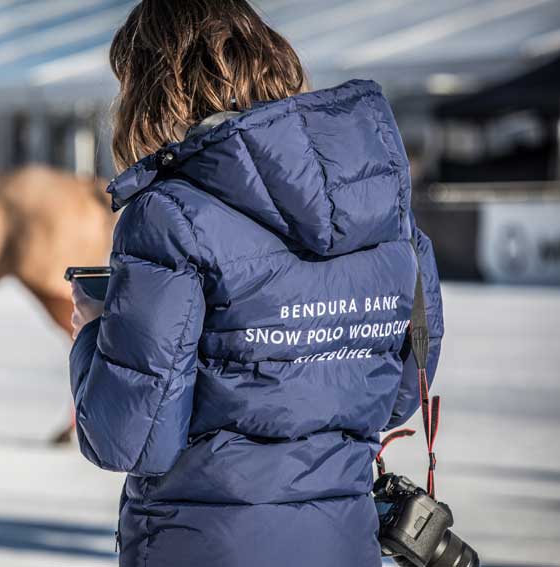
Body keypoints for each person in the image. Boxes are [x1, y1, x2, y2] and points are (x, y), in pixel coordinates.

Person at [69, 2, 444, 566]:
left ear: (157, 86)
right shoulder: (382, 206)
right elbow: (398, 397)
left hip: (203, 545)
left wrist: (95, 335)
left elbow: (130, 437)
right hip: (342, 543)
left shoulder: (169, 215)